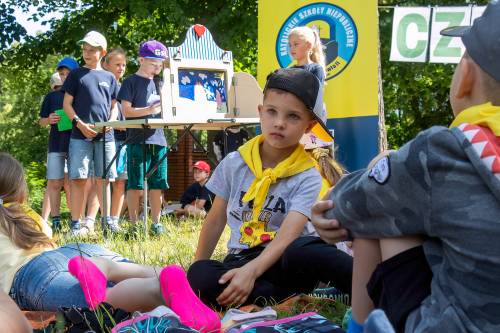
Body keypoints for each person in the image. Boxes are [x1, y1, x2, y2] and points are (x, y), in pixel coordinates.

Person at [312, 3, 500, 332]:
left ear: (464, 78)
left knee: (382, 177)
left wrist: (331, 211)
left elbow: (343, 207)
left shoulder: (445, 153)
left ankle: (360, 325)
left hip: (451, 325)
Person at [187, 68, 353, 309]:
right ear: (260, 112)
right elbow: (215, 220)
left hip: (284, 261)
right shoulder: (235, 162)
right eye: (272, 112)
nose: (279, 123)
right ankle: (274, 301)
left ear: (308, 126)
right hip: (242, 260)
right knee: (201, 273)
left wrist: (252, 272)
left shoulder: (307, 174)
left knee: (305, 249)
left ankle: (368, 284)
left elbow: (288, 235)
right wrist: (194, 278)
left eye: (293, 116)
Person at [0, 152, 220, 333]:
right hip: (74, 252)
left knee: (102, 304)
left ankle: (155, 290)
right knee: (125, 271)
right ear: (19, 191)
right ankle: (162, 276)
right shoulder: (25, 213)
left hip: (32, 273)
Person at [62, 31, 120, 235]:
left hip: (106, 136)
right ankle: (76, 224)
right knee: (78, 179)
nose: (87, 53)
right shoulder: (76, 74)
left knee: (104, 179)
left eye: (92, 50)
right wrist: (78, 123)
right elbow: (66, 104)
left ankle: (107, 223)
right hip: (80, 135)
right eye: (85, 49)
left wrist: (111, 120)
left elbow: (114, 105)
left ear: (102, 52)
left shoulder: (109, 77)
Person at [118, 40, 169, 235]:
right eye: (153, 63)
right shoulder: (130, 81)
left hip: (158, 139)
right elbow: (126, 111)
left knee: (158, 183)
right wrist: (149, 110)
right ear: (141, 60)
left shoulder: (161, 82)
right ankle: (134, 225)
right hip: (137, 139)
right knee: (135, 183)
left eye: (160, 64)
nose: (157, 68)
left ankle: (156, 223)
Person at [39, 57, 79, 231]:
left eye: (67, 73)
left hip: (77, 144)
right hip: (56, 145)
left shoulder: (80, 94)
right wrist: (49, 119)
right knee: (54, 183)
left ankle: (76, 219)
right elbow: (41, 120)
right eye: (61, 74)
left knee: (74, 183)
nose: (63, 77)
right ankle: (55, 220)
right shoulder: (52, 96)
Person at [103, 48, 128, 226]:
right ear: (106, 64)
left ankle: (115, 219)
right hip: (108, 138)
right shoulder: (102, 85)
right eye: (117, 64)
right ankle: (101, 217)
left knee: (120, 181)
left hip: (125, 139)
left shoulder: (126, 87)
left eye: (124, 65)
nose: (121, 68)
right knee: (104, 180)